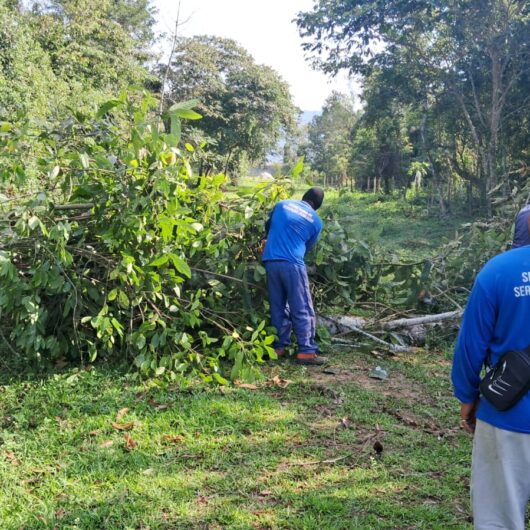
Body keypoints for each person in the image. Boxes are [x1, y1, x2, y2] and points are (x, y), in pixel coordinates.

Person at [451, 239, 530, 529]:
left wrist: (466, 396)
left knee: (499, 518)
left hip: (508, 415)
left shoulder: (499, 270)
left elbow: (470, 346)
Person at [262, 187, 326, 366]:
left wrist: (266, 239)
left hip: (270, 261)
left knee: (278, 306)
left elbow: (268, 226)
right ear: (317, 206)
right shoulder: (316, 221)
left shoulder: (282, 205)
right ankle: (306, 351)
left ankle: (278, 347)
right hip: (292, 264)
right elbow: (307, 246)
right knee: (302, 306)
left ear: (303, 197)